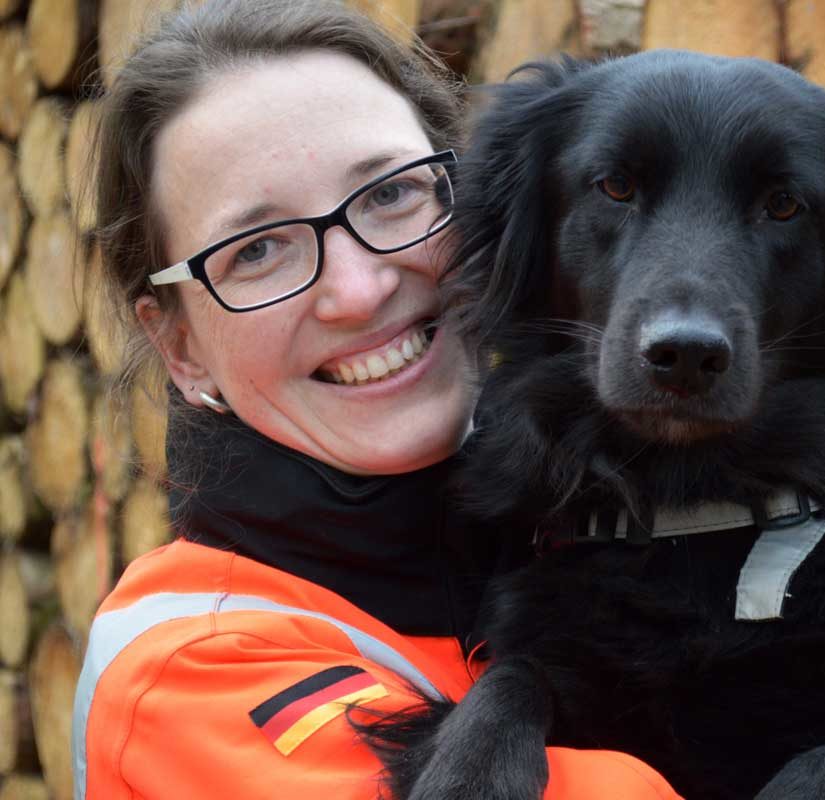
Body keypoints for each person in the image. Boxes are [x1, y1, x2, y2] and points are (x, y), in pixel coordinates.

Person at [71, 1, 683, 798]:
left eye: (392, 194)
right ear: (181, 346)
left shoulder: (590, 537)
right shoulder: (188, 671)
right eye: (257, 249)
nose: (358, 291)